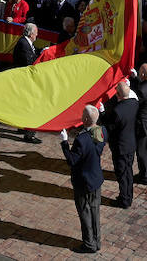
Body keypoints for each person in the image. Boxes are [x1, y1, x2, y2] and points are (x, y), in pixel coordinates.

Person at [60, 104, 106, 254]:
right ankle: (96, 241)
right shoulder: (102, 131)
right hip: (96, 179)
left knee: (85, 213)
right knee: (95, 211)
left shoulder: (81, 140)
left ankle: (89, 244)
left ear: (85, 119)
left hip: (83, 182)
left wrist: (64, 143)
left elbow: (72, 160)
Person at [101, 79, 139, 208]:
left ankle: (125, 200)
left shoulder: (117, 111)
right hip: (131, 144)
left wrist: (102, 113)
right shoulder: (134, 103)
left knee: (122, 174)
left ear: (118, 94)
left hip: (120, 147)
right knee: (128, 172)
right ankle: (128, 196)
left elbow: (109, 126)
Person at [13, 23, 42, 143]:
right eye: (36, 33)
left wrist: (43, 51)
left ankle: (22, 127)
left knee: (23, 105)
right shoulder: (23, 44)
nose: (37, 36)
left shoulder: (25, 42)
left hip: (23, 80)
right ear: (31, 34)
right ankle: (29, 134)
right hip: (26, 81)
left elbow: (32, 53)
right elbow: (29, 62)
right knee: (31, 105)